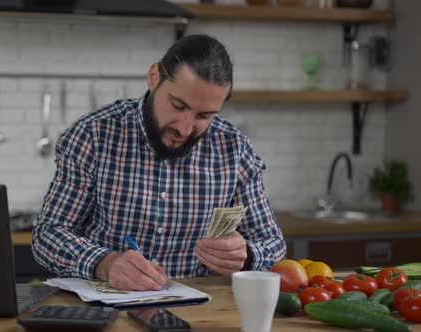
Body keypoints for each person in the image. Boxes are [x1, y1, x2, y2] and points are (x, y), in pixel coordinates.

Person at [32, 34, 286, 291]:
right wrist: (104, 263)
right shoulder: (93, 135)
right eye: (178, 105)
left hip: (201, 312)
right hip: (106, 309)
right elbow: (48, 235)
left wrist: (248, 255)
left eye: (204, 116)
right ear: (154, 77)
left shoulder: (235, 149)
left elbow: (274, 244)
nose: (186, 129)